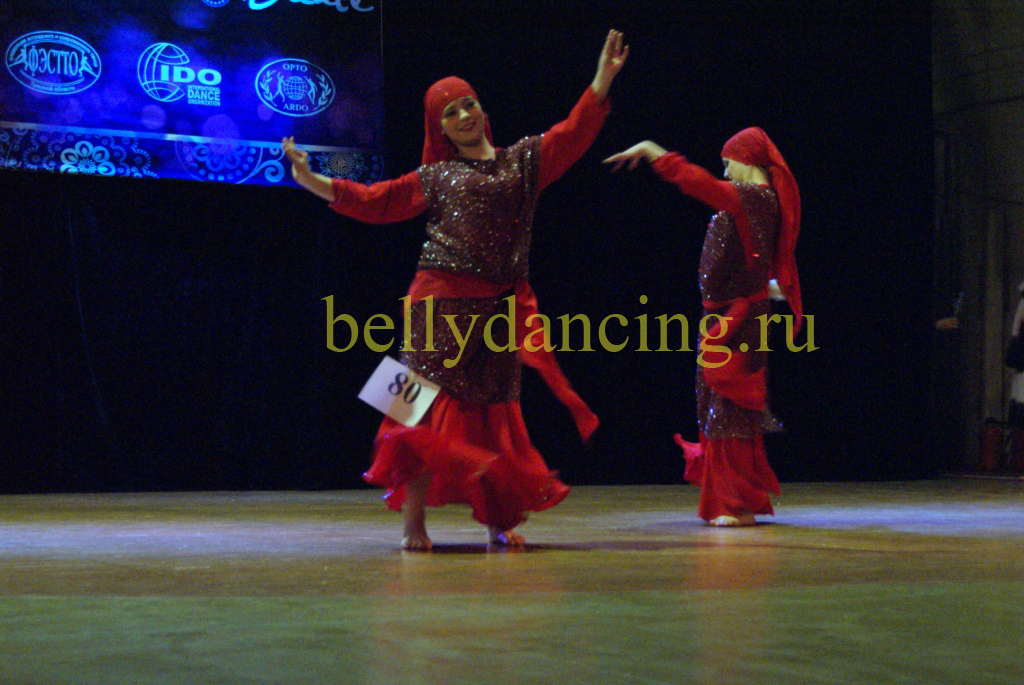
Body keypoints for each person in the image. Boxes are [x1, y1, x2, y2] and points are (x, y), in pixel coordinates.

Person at [282, 30, 628, 549]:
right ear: (438, 127)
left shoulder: (523, 161)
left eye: (468, 104)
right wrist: (313, 181)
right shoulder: (436, 174)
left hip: (499, 307)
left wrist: (601, 80)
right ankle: (411, 521)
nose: (463, 115)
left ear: (482, 110)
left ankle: (498, 519)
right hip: (437, 301)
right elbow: (378, 200)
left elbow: (571, 134)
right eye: (450, 112)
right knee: (414, 405)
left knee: (495, 410)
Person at [605, 128, 801, 526]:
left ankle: (728, 502)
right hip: (729, 316)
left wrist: (652, 149)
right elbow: (751, 256)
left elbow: (697, 182)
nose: (725, 172)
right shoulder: (761, 200)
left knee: (727, 408)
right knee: (724, 408)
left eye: (728, 163)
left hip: (734, 321)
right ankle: (739, 499)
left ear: (745, 159)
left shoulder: (752, 196)